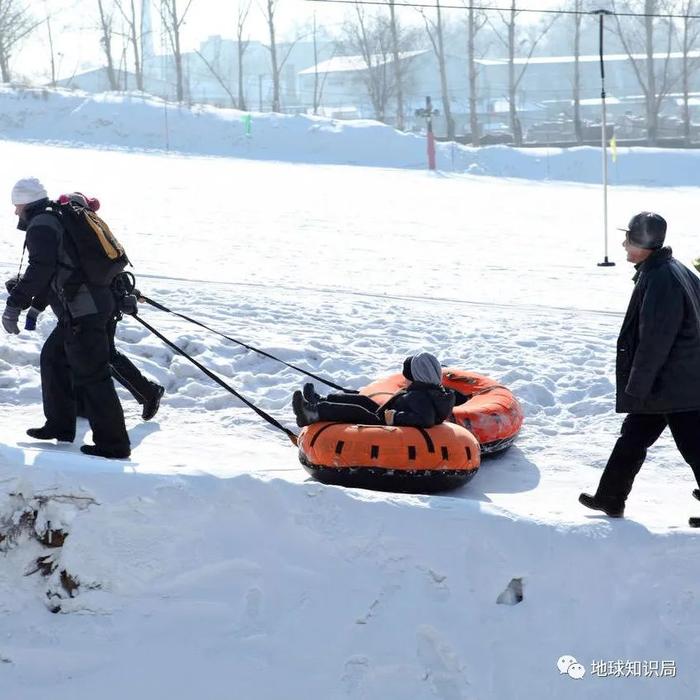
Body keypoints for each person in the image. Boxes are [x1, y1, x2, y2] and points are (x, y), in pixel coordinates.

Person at [579, 212, 700, 518]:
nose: (623, 244)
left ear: (644, 243)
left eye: (629, 239)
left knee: (694, 446)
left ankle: (611, 496)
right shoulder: (670, 269)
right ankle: (610, 497)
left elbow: (655, 341)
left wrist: (638, 386)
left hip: (673, 384)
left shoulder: (662, 279)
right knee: (633, 437)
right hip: (675, 379)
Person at [2, 177, 131, 459]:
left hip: (82, 311)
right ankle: (60, 425)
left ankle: (114, 445)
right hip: (87, 306)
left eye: (16, 205)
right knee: (53, 358)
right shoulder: (55, 217)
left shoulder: (41, 225)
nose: (15, 212)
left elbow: (41, 269)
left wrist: (14, 304)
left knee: (93, 375)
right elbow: (60, 269)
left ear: (26, 203)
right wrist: (36, 306)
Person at [292, 352, 456, 428]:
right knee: (362, 400)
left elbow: (425, 419)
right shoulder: (427, 391)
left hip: (385, 424)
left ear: (418, 376)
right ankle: (319, 401)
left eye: (407, 376)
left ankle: (314, 413)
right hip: (384, 416)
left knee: (357, 411)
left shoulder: (420, 396)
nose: (405, 379)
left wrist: (395, 417)